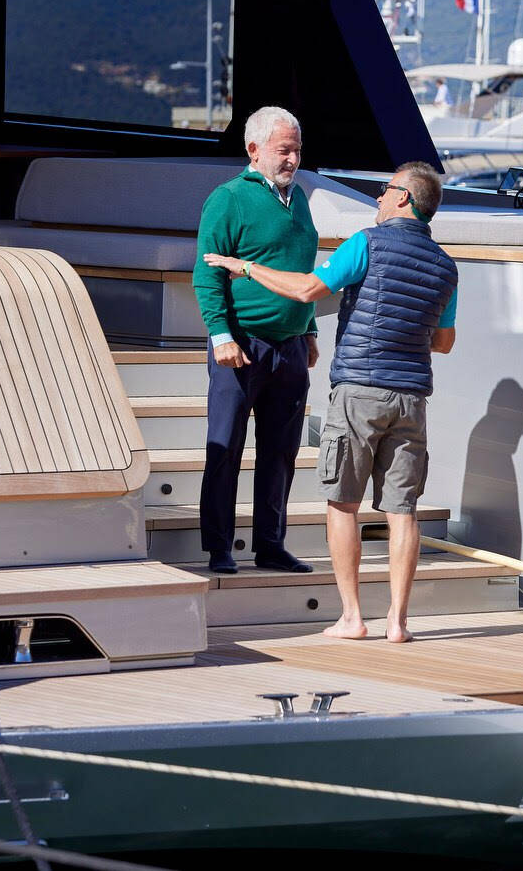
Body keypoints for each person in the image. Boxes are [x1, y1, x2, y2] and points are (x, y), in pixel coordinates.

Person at [204, 162, 457, 643]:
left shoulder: (368, 242)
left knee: (343, 504)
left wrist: (244, 267)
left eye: (385, 191)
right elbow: (443, 342)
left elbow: (306, 289)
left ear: (404, 197)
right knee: (402, 511)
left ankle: (352, 618)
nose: (379, 198)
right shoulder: (445, 265)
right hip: (412, 396)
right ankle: (398, 623)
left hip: (360, 389)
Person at [192, 106, 320, 576]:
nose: (292, 159)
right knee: (225, 447)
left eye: (297, 150)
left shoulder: (300, 199)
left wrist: (308, 329)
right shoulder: (227, 199)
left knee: (281, 452)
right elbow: (207, 275)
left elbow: (303, 272)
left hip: (289, 347)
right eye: (283, 149)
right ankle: (219, 548)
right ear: (254, 150)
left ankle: (270, 544)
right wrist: (221, 334)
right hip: (241, 343)